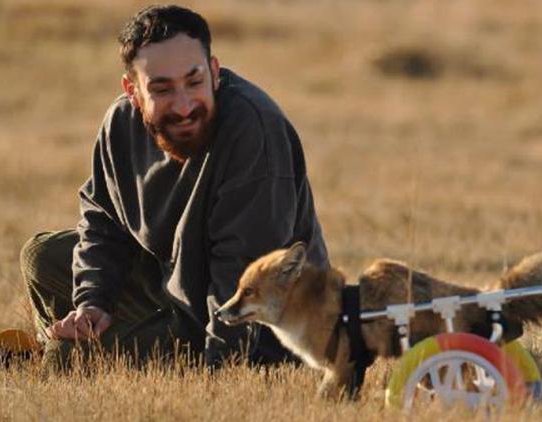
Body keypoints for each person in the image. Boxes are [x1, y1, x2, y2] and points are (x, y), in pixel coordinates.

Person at [20, 4, 328, 371]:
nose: (183, 106)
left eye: (194, 82)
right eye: (162, 89)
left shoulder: (253, 131)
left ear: (214, 73)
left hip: (263, 330)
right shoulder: (119, 125)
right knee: (40, 256)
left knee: (66, 361)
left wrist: (220, 373)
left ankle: (80, 349)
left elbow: (245, 279)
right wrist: (92, 303)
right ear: (132, 91)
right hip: (176, 284)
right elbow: (102, 221)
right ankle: (88, 336)